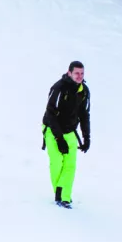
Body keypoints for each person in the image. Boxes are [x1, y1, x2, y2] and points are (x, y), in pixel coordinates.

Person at [42, 61, 90, 209]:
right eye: (76, 73)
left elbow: (84, 115)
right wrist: (59, 139)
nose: (79, 76)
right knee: (57, 162)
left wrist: (86, 138)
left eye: (82, 73)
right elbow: (50, 114)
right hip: (52, 130)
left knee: (70, 165)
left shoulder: (83, 91)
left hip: (70, 131)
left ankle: (64, 198)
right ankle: (59, 194)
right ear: (69, 73)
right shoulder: (59, 88)